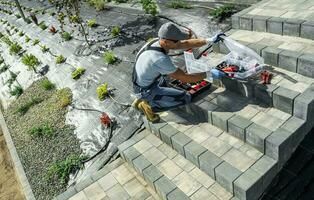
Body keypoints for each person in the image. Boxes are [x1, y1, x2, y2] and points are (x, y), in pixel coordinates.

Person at [132, 22, 226, 122]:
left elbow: (185, 43)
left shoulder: (156, 41)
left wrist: (209, 40)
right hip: (146, 89)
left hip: (143, 80)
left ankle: (146, 98)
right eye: (177, 41)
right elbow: (186, 78)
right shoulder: (159, 58)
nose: (179, 43)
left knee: (168, 76)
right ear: (166, 41)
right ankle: (148, 106)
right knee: (185, 97)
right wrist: (209, 74)